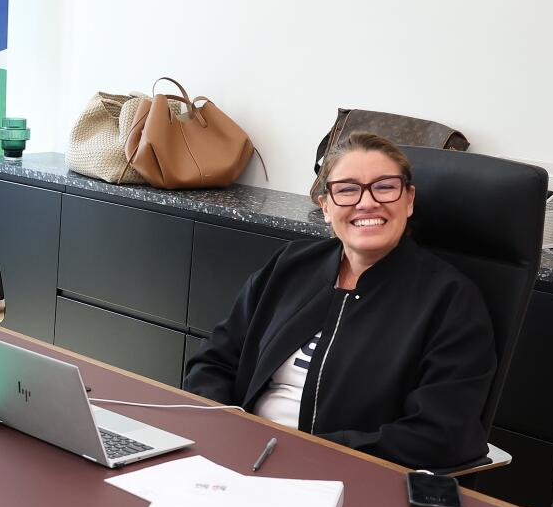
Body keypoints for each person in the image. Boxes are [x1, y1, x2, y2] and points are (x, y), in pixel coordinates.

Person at [183, 131, 495, 468]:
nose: (367, 202)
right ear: (327, 207)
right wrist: (225, 430)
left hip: (348, 477)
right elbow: (212, 362)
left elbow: (444, 433)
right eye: (347, 190)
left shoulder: (450, 300)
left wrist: (311, 453)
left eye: (385, 187)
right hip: (242, 457)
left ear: (409, 199)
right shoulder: (292, 266)